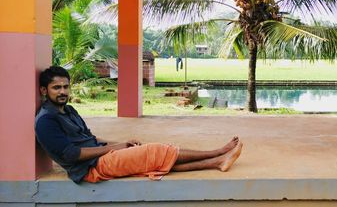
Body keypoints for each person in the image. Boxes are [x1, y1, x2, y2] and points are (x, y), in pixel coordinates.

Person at [35, 66, 243, 184]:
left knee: (156, 160)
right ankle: (217, 152)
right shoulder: (46, 121)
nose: (62, 91)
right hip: (91, 168)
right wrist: (114, 148)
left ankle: (217, 162)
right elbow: (70, 155)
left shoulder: (68, 110)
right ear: (44, 90)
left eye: (65, 87)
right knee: (157, 151)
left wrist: (121, 143)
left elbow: (92, 138)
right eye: (56, 88)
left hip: (102, 156)